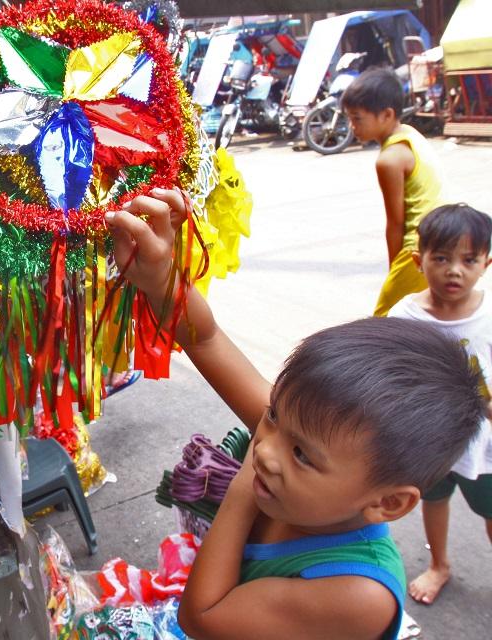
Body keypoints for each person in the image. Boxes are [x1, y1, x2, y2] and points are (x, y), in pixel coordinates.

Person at [104, 188, 486, 639]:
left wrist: (248, 480)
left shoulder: (359, 593)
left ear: (388, 503)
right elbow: (204, 338)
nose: (267, 449)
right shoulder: (300, 435)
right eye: (274, 415)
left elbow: (203, 616)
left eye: (302, 455)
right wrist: (162, 275)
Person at [387, 203, 492, 605]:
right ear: (419, 260)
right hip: (430, 438)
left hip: (484, 441)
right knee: (433, 499)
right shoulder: (407, 316)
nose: (455, 270)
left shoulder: (487, 314)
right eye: (442, 258)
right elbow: (395, 377)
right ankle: (439, 565)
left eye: (469, 260)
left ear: (486, 262)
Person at [341, 68, 447, 317]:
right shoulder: (410, 134)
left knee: (383, 326)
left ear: (387, 114)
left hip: (416, 250)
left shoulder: (390, 159)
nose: (352, 126)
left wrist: (395, 270)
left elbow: (396, 223)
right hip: (440, 241)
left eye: (357, 118)